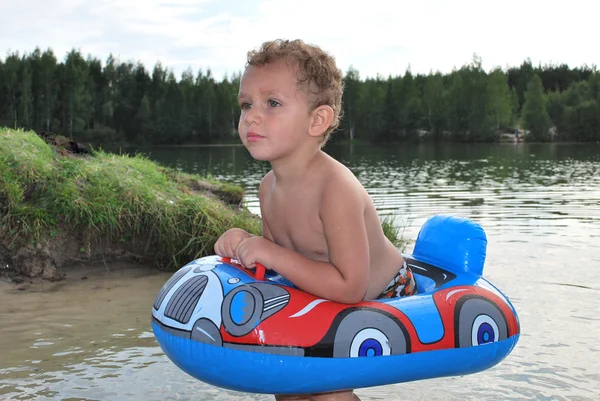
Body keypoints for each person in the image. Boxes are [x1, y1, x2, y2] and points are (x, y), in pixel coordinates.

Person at [214, 39, 418, 401]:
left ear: (317, 119)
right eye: (246, 105)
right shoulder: (268, 188)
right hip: (323, 289)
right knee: (287, 384)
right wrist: (243, 241)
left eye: (272, 103)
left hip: (384, 293)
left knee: (327, 391)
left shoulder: (334, 188)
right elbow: (277, 262)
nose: (251, 116)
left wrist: (270, 253)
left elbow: (350, 287)